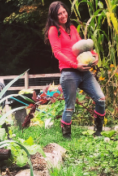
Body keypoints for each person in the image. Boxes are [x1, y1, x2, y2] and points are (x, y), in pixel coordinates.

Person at [44, 1, 106, 139]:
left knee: (100, 99)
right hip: (69, 72)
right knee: (70, 106)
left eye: (64, 11)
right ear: (54, 16)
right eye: (59, 14)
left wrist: (94, 55)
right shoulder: (54, 30)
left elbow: (83, 46)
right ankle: (67, 137)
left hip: (84, 71)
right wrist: (74, 65)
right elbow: (57, 52)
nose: (63, 15)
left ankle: (98, 133)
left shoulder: (72, 28)